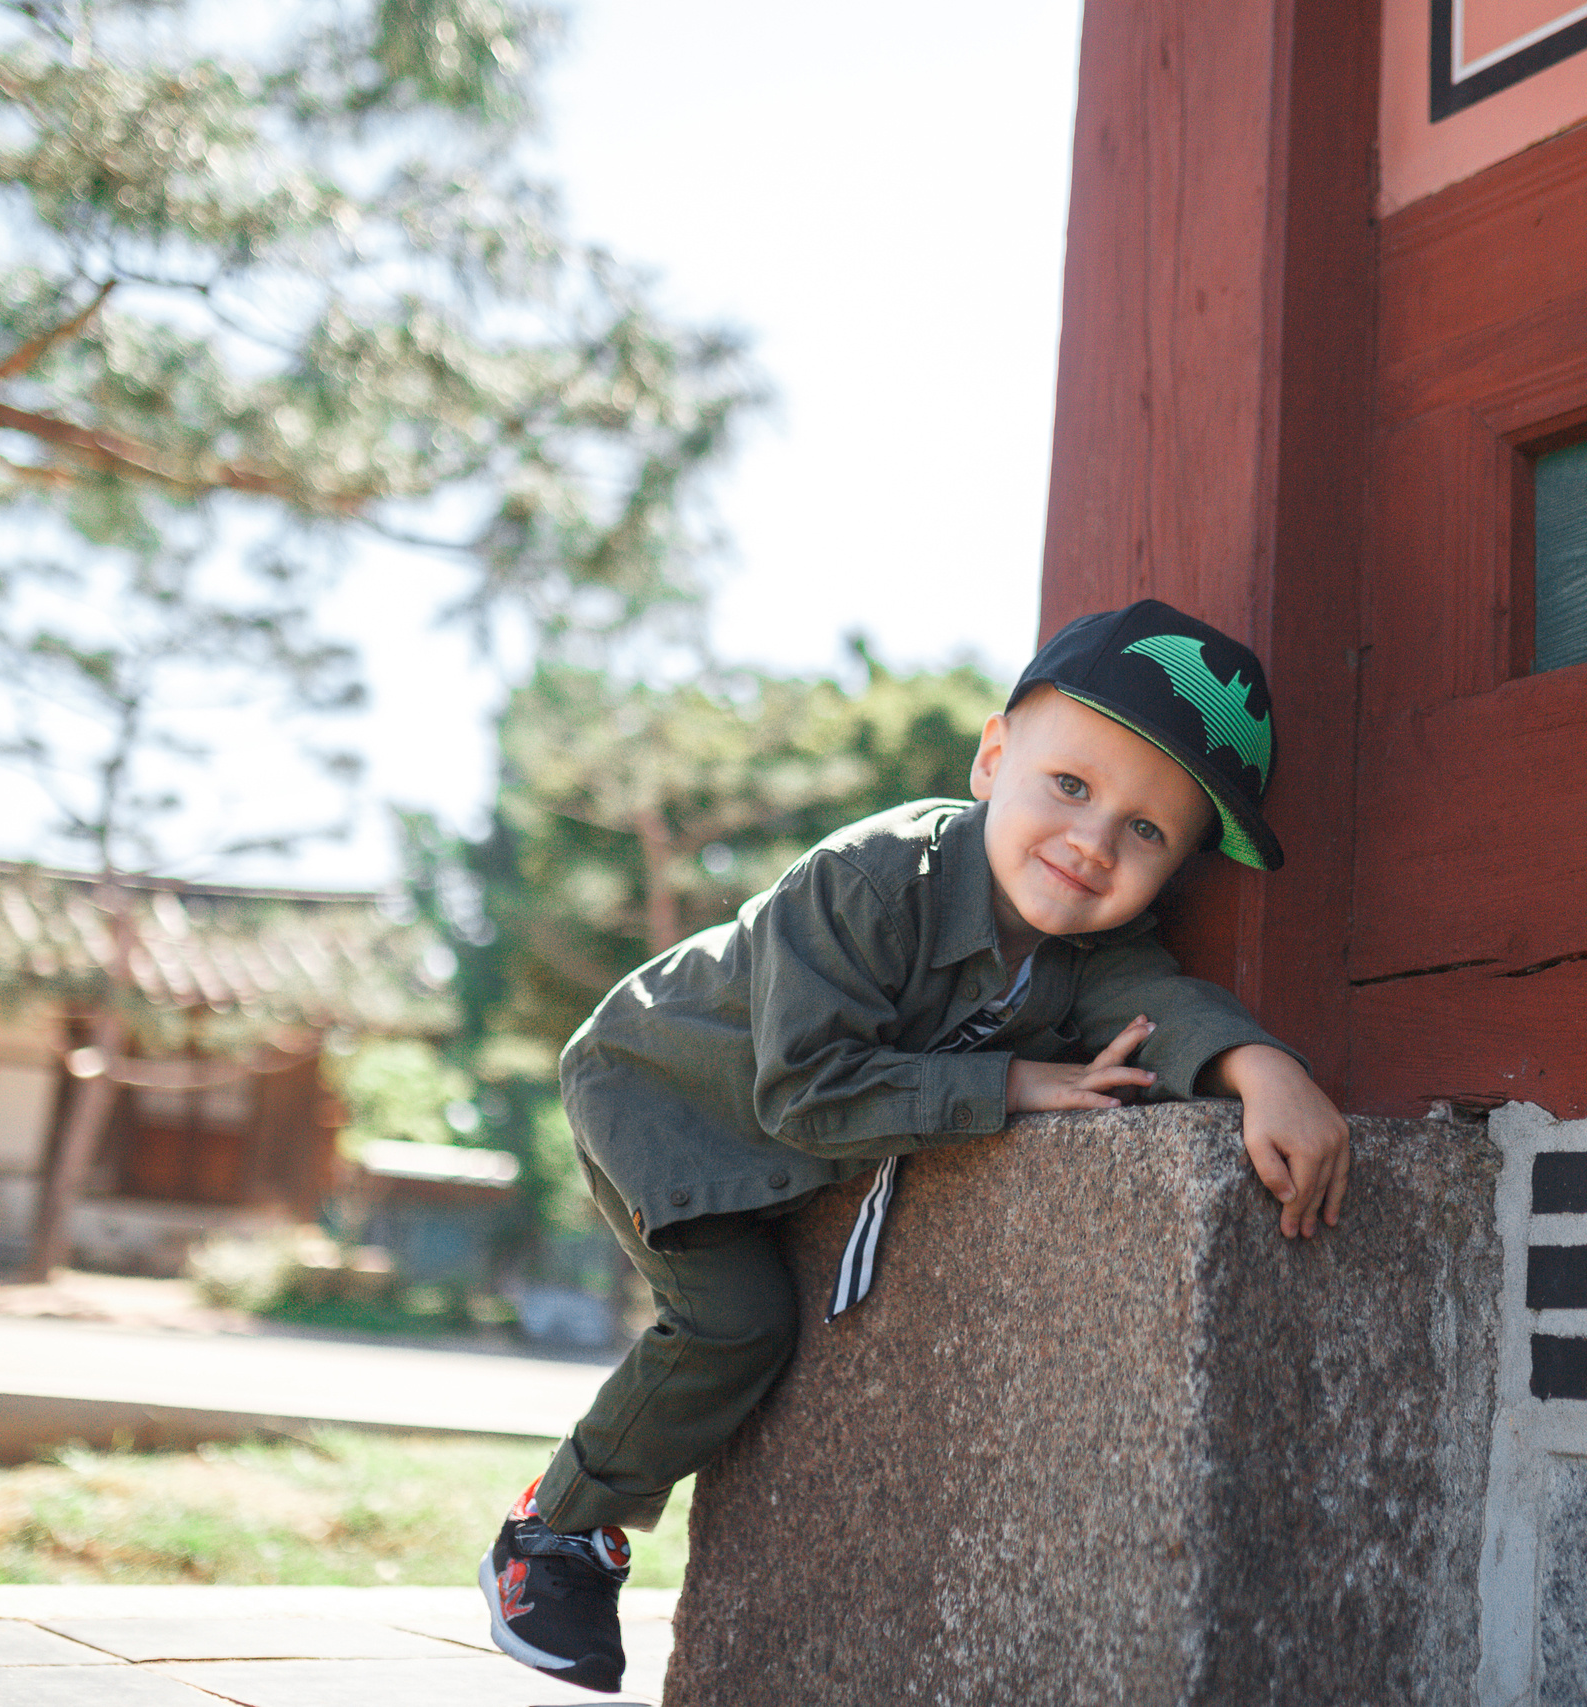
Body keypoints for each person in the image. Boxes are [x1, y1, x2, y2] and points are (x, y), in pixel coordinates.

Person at [477, 599, 1353, 1692]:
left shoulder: (1093, 944)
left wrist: (1260, 1069)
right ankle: (555, 1532)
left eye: (1145, 831)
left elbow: (1157, 1002)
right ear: (994, 757)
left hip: (797, 1130)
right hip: (668, 1093)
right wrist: (1013, 1082)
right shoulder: (870, 878)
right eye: (1071, 788)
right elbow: (805, 1091)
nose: (1092, 842)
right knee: (735, 1326)